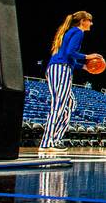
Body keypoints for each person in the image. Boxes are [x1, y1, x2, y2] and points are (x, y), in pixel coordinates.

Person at [39, 11, 100, 150]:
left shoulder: (70, 31)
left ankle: (56, 139)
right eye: (89, 21)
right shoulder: (78, 32)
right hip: (61, 69)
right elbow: (70, 53)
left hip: (58, 68)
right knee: (59, 105)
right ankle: (47, 142)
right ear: (83, 21)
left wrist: (84, 66)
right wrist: (87, 57)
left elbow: (68, 56)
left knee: (70, 104)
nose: (91, 23)